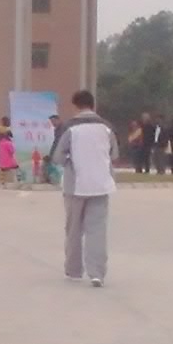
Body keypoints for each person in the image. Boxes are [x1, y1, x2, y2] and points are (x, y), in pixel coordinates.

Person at [48, 89, 117, 285]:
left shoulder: (69, 127)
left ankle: (74, 270)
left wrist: (70, 160)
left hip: (75, 185)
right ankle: (97, 273)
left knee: (74, 230)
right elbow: (114, 154)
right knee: (97, 230)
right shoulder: (107, 127)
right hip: (101, 184)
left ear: (76, 106)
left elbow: (57, 157)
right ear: (93, 105)